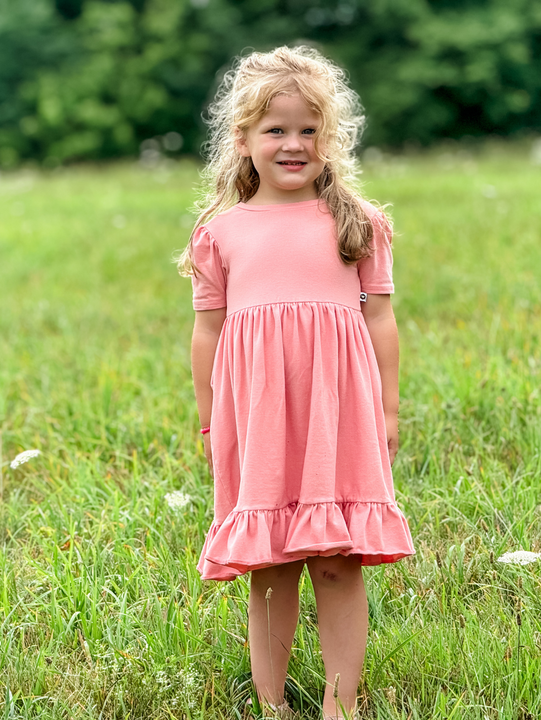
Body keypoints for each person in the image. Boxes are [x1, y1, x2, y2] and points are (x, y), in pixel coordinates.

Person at [178, 46, 415, 719]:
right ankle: (272, 703)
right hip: (259, 418)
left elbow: (380, 319)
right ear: (244, 141)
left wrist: (388, 410)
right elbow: (208, 333)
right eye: (275, 129)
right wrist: (208, 419)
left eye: (308, 129)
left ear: (330, 138)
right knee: (273, 560)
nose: (292, 143)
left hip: (339, 413)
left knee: (339, 559)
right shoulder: (221, 233)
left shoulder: (357, 224)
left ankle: (342, 704)